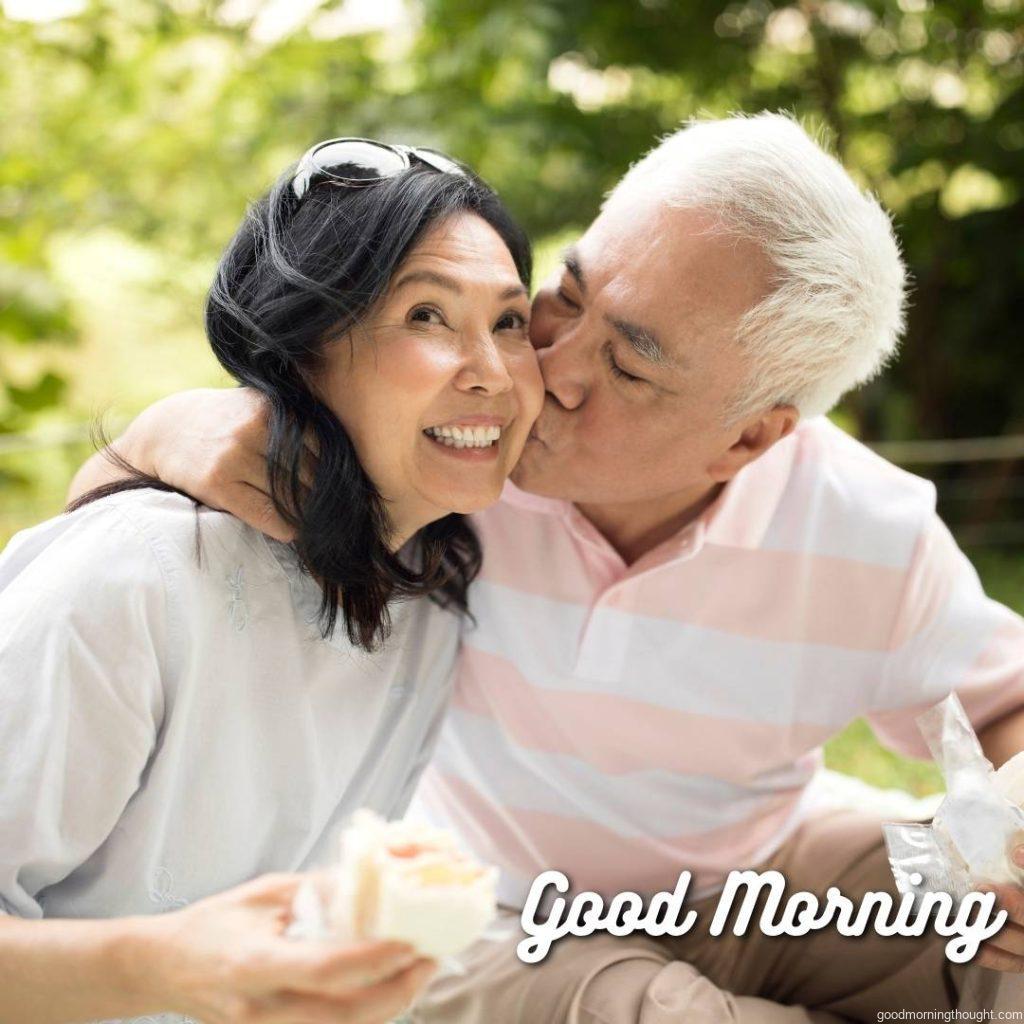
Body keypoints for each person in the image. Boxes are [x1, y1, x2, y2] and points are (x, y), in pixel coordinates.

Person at [68, 114, 1024, 1022]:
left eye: (631, 368)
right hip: (497, 913)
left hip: (760, 875)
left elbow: (1002, 705)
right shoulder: (458, 458)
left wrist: (1012, 841)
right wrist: (163, 430)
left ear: (748, 439)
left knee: (992, 941)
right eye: (569, 294)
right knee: (645, 1011)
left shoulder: (864, 530)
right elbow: (126, 528)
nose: (554, 366)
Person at [0, 137, 543, 1024]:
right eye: (426, 317)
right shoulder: (138, 579)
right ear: (301, 353)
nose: (489, 372)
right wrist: (158, 967)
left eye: (510, 322)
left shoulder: (428, 596)